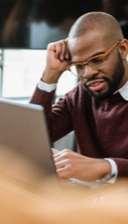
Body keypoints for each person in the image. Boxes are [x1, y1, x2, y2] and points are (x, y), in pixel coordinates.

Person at [30, 11, 128, 183]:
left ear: (123, 49)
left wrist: (105, 167)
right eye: (79, 66)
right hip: (88, 201)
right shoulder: (81, 94)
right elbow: (34, 135)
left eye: (98, 59)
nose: (88, 73)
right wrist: (51, 73)